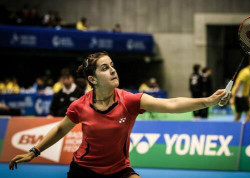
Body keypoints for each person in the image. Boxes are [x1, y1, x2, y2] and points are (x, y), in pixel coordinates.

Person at [9, 52, 230, 178]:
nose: (113, 70)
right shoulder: (80, 106)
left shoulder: (130, 101)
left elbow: (171, 103)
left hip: (119, 171)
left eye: (112, 65)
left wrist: (207, 101)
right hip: (84, 171)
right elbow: (60, 129)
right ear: (92, 79)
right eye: (105, 68)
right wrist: (34, 151)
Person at [230, 56, 250, 122]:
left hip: (241, 95)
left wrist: (249, 98)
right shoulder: (245, 72)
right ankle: (243, 129)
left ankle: (233, 130)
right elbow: (237, 85)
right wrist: (233, 98)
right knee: (249, 114)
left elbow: (247, 87)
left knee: (238, 115)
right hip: (239, 96)